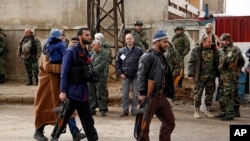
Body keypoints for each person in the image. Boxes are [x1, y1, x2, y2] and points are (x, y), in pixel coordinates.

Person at [58, 28, 98, 140]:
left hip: (83, 92)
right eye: (87, 35)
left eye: (90, 35)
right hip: (72, 93)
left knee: (88, 119)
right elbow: (64, 73)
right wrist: (63, 91)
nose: (89, 37)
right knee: (63, 118)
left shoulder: (87, 53)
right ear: (80, 37)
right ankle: (54, 137)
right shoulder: (70, 52)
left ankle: (93, 138)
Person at [137, 30, 175, 141]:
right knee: (143, 126)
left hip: (161, 96)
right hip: (150, 97)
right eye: (165, 42)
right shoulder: (147, 56)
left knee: (169, 121)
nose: (167, 44)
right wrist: (142, 94)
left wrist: (169, 94)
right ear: (157, 42)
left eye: (167, 42)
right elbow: (141, 75)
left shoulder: (163, 57)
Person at [188, 35, 219, 119]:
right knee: (198, 94)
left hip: (211, 76)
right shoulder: (196, 50)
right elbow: (191, 63)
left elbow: (218, 61)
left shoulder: (214, 50)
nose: (211, 43)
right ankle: (196, 112)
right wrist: (190, 74)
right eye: (209, 42)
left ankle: (207, 111)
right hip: (199, 76)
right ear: (203, 42)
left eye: (211, 42)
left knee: (209, 94)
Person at [215, 33, 243, 121]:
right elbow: (220, 62)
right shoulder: (222, 50)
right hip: (223, 75)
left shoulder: (234, 49)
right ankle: (223, 111)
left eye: (222, 41)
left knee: (228, 93)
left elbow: (229, 60)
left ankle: (230, 113)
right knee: (222, 93)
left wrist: (223, 58)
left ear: (227, 41)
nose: (221, 42)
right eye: (221, 40)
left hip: (230, 75)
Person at [116, 33, 143, 117]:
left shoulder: (139, 51)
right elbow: (118, 63)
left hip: (136, 76)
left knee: (135, 94)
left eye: (130, 38)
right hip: (125, 76)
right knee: (125, 94)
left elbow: (143, 62)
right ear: (125, 40)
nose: (129, 40)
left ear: (133, 40)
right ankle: (125, 110)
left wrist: (140, 73)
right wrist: (121, 73)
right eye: (127, 39)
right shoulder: (121, 51)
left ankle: (134, 110)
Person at [89, 40, 109, 116]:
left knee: (101, 93)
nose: (92, 46)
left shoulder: (104, 54)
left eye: (94, 45)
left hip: (100, 76)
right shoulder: (92, 54)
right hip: (91, 76)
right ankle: (92, 108)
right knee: (91, 92)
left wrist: (92, 70)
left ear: (99, 45)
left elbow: (102, 65)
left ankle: (103, 108)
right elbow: (88, 62)